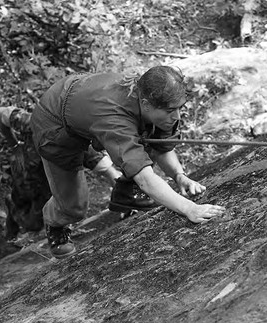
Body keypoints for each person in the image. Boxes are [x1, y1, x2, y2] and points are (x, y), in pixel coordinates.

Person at [30, 66, 226, 259]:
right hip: (55, 124)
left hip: (87, 111)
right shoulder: (114, 118)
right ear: (146, 103)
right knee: (74, 208)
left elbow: (162, 148)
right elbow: (145, 178)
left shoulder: (154, 100)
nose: (176, 117)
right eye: (170, 111)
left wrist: (179, 176)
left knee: (146, 137)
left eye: (180, 108)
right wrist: (189, 209)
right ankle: (54, 222)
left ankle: (126, 191)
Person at [0, 106, 155, 240]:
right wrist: (14, 145)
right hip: (23, 171)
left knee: (34, 223)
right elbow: (2, 113)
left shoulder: (80, 143)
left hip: (47, 187)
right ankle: (10, 227)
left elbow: (110, 172)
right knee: (19, 200)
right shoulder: (35, 122)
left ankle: (13, 223)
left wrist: (129, 201)